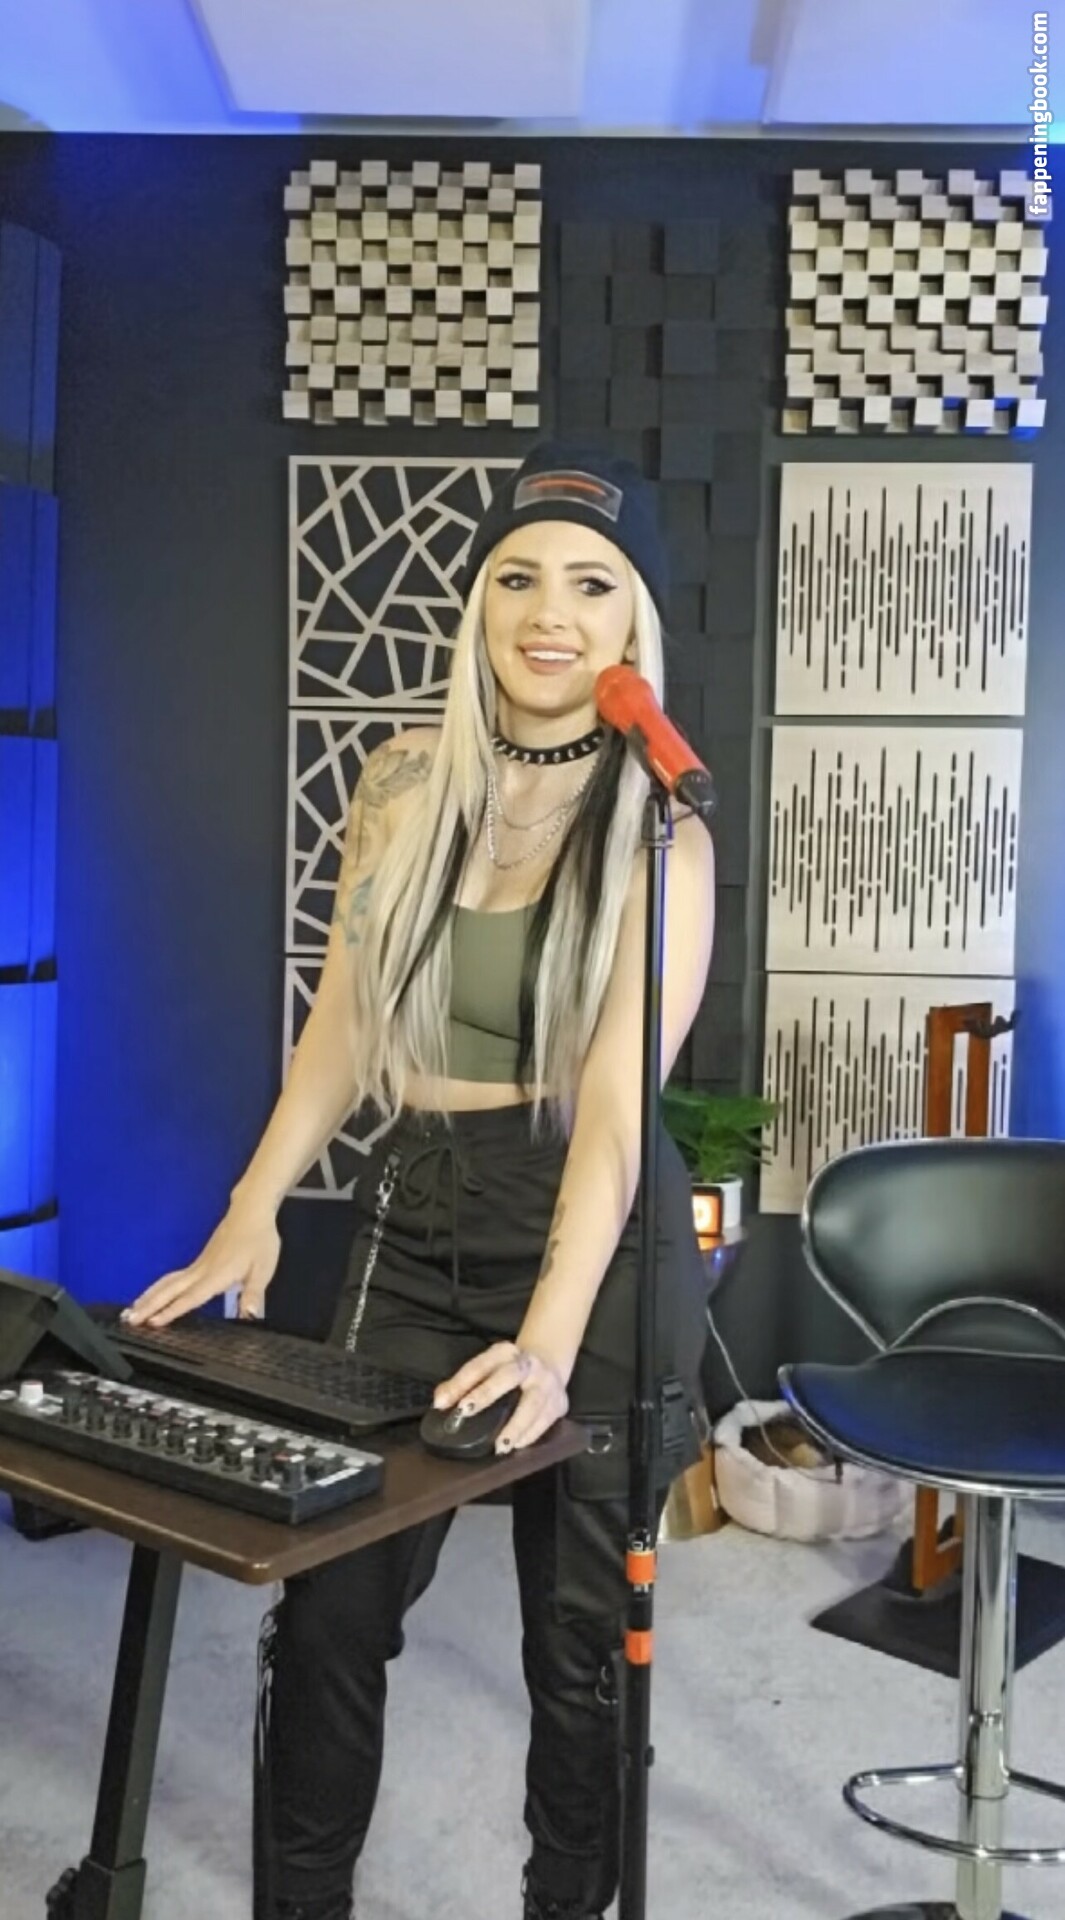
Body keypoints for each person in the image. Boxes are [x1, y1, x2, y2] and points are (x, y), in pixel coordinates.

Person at [127, 442, 716, 1920]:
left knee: (576, 1650)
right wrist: (252, 1206)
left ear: (634, 621)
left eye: (592, 586)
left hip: (592, 1245)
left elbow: (611, 1121)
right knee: (330, 1604)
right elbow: (342, 1022)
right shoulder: (399, 783)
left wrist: (547, 1345)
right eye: (518, 579)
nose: (550, 615)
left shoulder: (661, 830)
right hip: (421, 1210)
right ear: (477, 606)